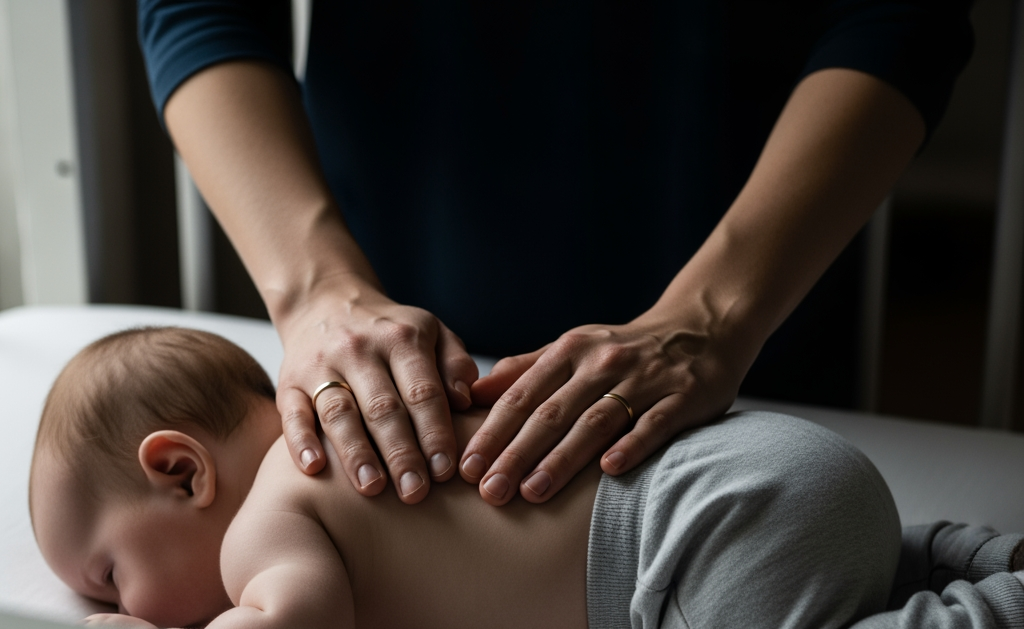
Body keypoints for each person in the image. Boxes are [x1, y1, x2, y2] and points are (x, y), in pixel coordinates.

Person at [138, 2, 974, 508]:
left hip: (755, 306)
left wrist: (716, 316)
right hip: (389, 271)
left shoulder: (273, 529)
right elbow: (200, 6)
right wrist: (318, 291)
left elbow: (901, 16)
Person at [30, 327, 1024, 629]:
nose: (109, 605)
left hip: (677, 547)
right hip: (765, 472)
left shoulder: (273, 512)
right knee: (823, 589)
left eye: (108, 575)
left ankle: (1003, 621)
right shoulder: (346, 426)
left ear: (181, 470)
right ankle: (951, 556)